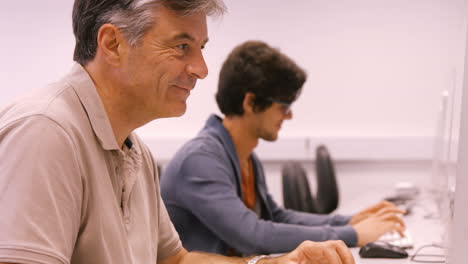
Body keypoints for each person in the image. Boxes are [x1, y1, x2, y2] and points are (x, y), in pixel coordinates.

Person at [0, 1, 355, 264]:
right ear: (112, 45)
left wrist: (276, 263)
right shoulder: (46, 133)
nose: (200, 69)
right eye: (182, 46)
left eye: (200, 49)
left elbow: (175, 260)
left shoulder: (134, 150)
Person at [160, 40, 406, 256]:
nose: (288, 116)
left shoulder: (244, 156)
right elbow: (252, 235)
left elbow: (276, 216)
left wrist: (349, 220)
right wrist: (352, 234)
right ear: (251, 102)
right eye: (284, 106)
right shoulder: (200, 160)